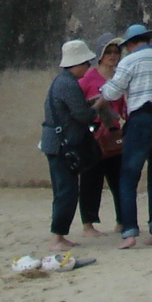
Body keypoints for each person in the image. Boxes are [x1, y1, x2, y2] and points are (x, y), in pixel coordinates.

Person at [91, 22, 152, 249]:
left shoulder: (130, 61)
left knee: (129, 174)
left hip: (141, 118)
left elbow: (113, 91)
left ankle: (130, 232)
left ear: (130, 44)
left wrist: (99, 100)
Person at [40, 39, 97, 250]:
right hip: (62, 146)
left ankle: (60, 235)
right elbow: (82, 115)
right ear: (78, 63)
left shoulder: (62, 82)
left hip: (55, 144)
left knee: (64, 189)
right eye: (86, 63)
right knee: (67, 191)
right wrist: (97, 107)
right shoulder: (68, 84)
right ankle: (57, 237)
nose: (88, 67)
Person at [77, 33, 126, 237]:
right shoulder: (89, 77)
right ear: (100, 54)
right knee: (90, 178)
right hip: (94, 132)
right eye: (109, 52)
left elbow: (124, 107)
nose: (113, 56)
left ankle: (122, 222)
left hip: (114, 133)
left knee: (119, 178)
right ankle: (88, 225)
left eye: (116, 52)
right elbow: (78, 102)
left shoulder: (121, 76)